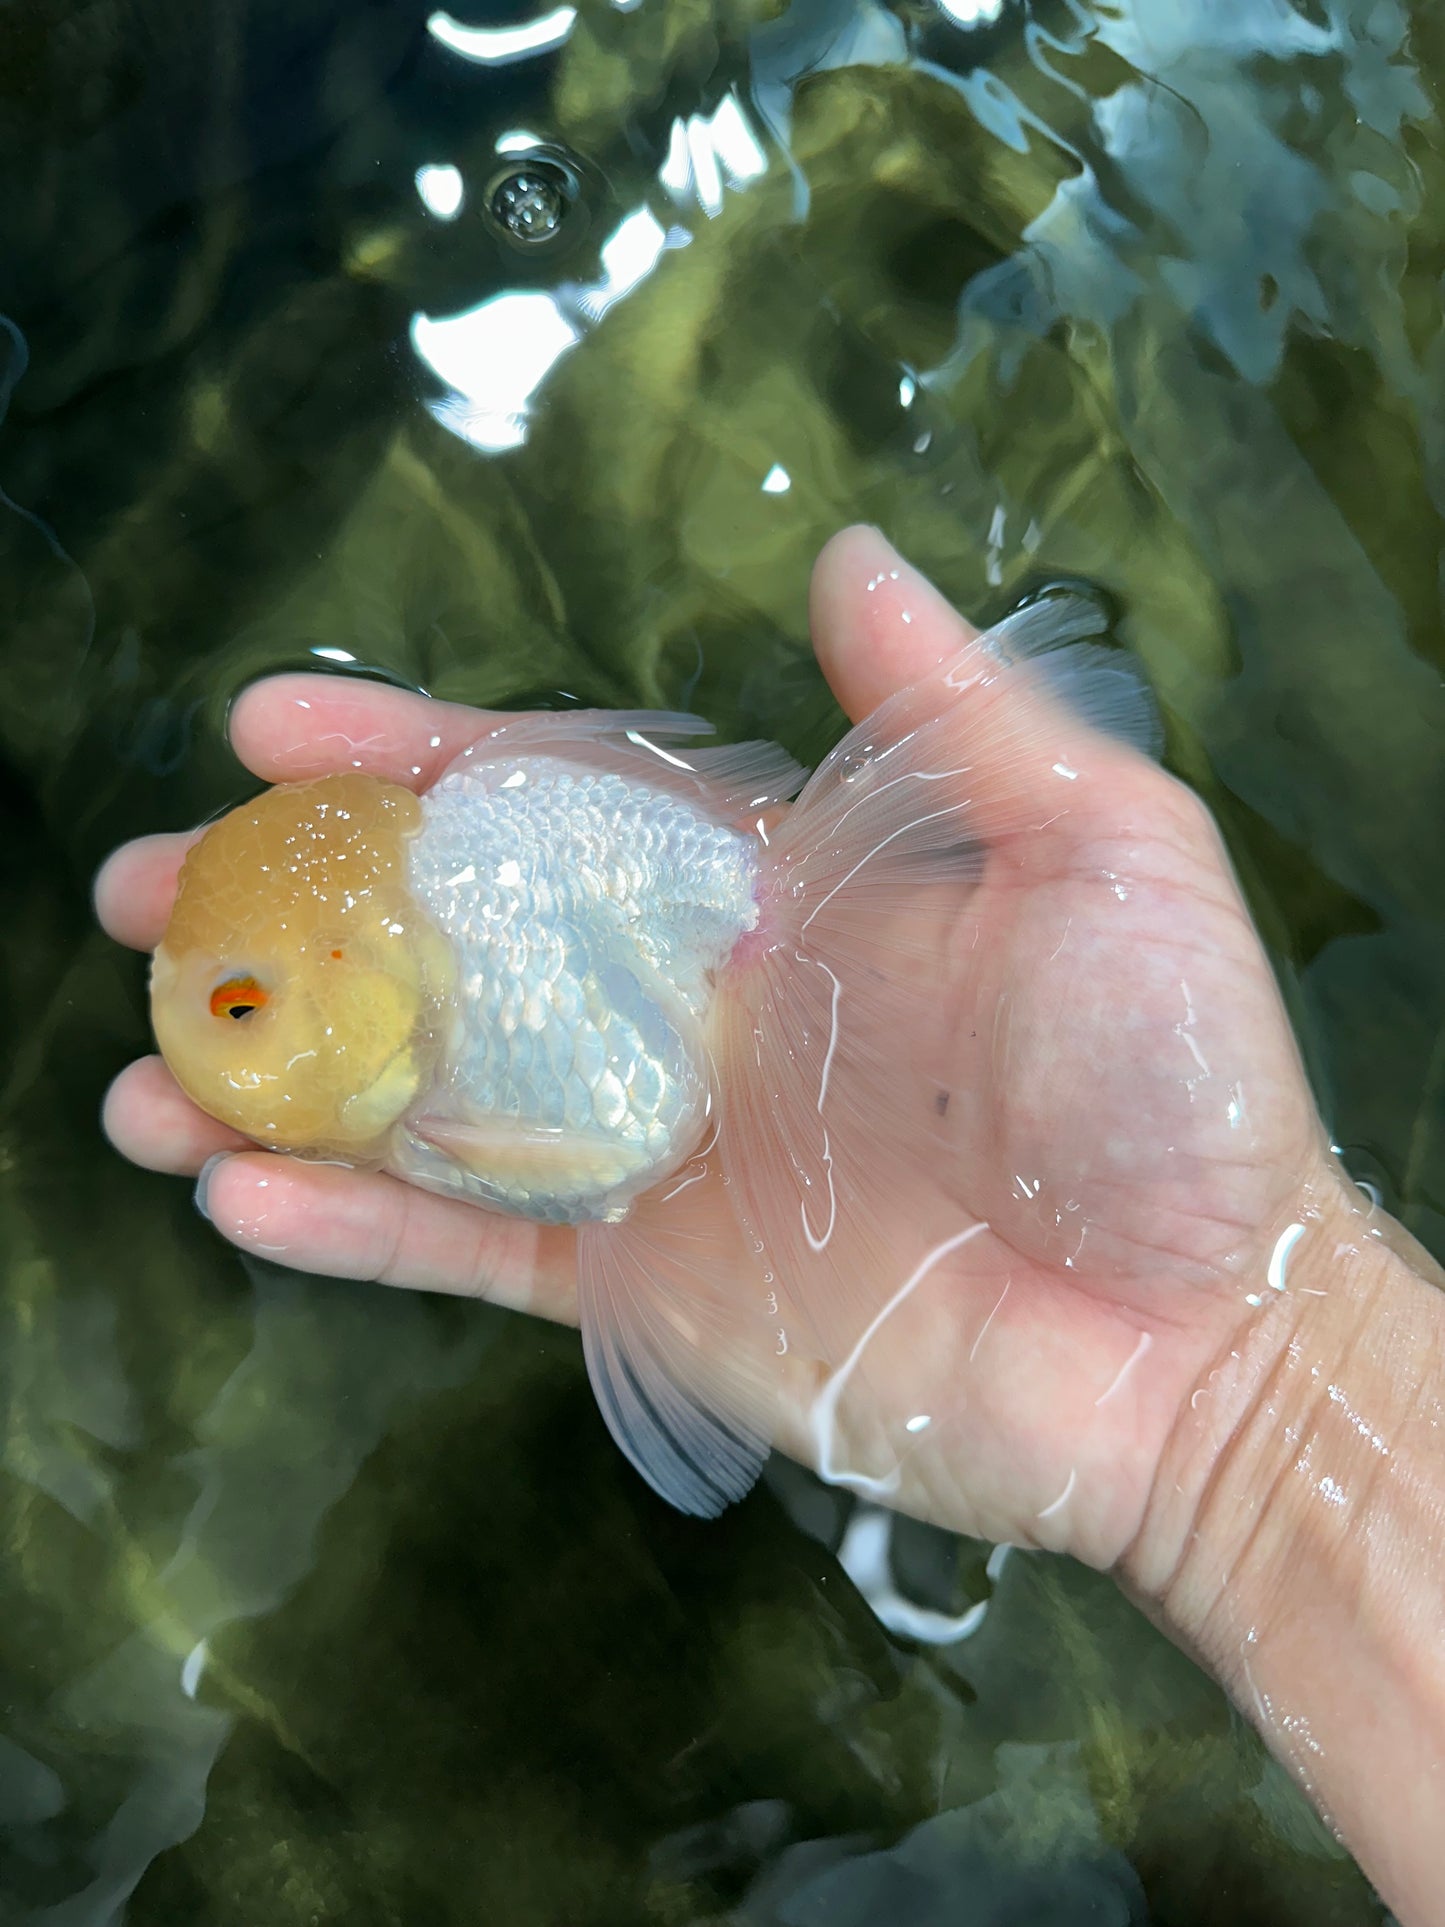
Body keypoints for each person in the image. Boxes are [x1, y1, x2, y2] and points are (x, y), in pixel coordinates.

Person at [95, 528, 1445, 1924]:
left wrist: (1247, 1407)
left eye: (240, 1005)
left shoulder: (474, 991)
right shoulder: (424, 956)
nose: (198, 1017)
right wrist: (1253, 1411)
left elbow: (591, 1141)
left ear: (349, 982)